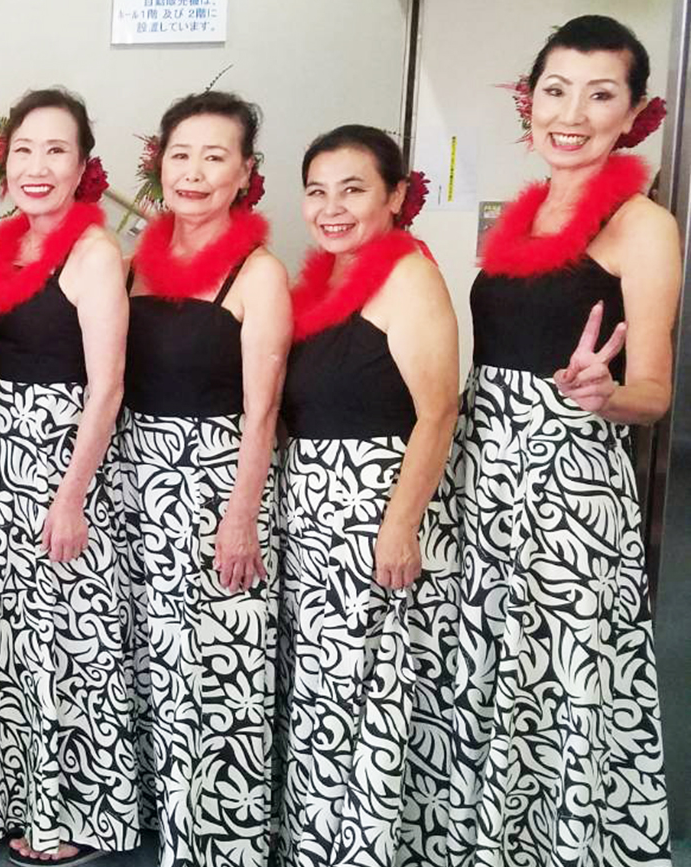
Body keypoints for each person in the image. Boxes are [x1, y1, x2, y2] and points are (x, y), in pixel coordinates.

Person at [444, 15, 678, 866]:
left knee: (555, 688)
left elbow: (656, 391)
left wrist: (606, 393)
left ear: (635, 114)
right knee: (482, 679)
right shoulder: (525, 215)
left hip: (567, 497)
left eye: (599, 94)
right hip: (481, 481)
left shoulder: (642, 225)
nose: (572, 113)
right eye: (555, 90)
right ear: (529, 100)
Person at [273, 125, 458, 867]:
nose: (332, 208)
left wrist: (400, 526)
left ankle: (362, 848)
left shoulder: (409, 275)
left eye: (353, 190)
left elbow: (438, 412)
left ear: (394, 195)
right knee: (323, 688)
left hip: (373, 505)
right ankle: (320, 841)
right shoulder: (322, 282)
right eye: (317, 191)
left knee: (363, 688)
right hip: (314, 509)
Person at [116, 90, 288, 866]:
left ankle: (222, 840)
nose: (193, 172)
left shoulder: (260, 272)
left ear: (245, 172)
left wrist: (241, 514)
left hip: (216, 485)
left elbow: (263, 410)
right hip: (136, 484)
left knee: (217, 665)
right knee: (151, 659)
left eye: (215, 157)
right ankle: (161, 819)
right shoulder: (134, 266)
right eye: (180, 155)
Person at [0, 88, 136, 867]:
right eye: (25, 149)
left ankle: (86, 815)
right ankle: (31, 798)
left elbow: (106, 388)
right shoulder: (8, 246)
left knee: (73, 642)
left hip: (65, 466)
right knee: (27, 641)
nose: (37, 166)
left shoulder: (94, 253)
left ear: (82, 167)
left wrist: (71, 497)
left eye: (56, 150)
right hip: (8, 459)